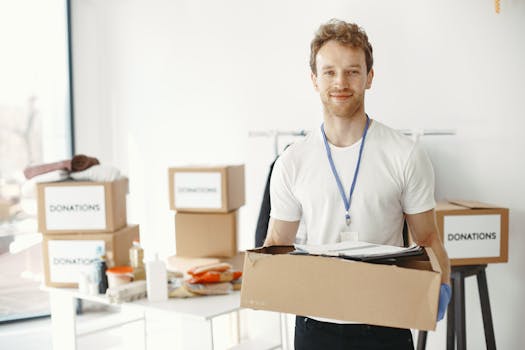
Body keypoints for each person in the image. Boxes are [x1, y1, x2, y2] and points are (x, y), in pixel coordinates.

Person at [264, 19, 451, 350]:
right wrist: (261, 276)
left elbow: (427, 237)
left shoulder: (405, 154)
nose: (340, 82)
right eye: (329, 72)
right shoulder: (292, 161)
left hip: (385, 324)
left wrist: (442, 284)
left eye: (352, 71)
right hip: (314, 325)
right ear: (313, 79)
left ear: (369, 77)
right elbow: (279, 240)